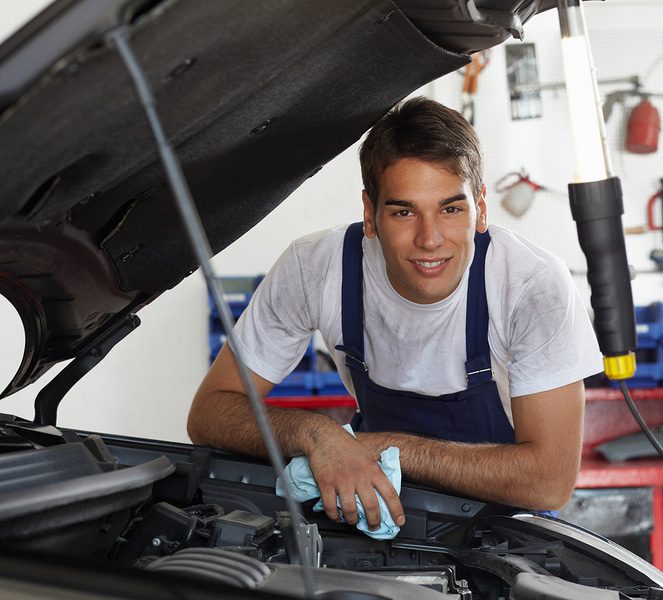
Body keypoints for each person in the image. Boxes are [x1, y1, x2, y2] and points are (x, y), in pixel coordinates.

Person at [188, 97, 603, 532]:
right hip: (373, 504)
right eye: (404, 211)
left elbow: (548, 482)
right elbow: (209, 414)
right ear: (370, 214)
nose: (429, 239)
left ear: (481, 208)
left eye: (450, 208)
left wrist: (379, 447)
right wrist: (317, 435)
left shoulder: (531, 286)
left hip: (505, 524)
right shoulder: (316, 268)